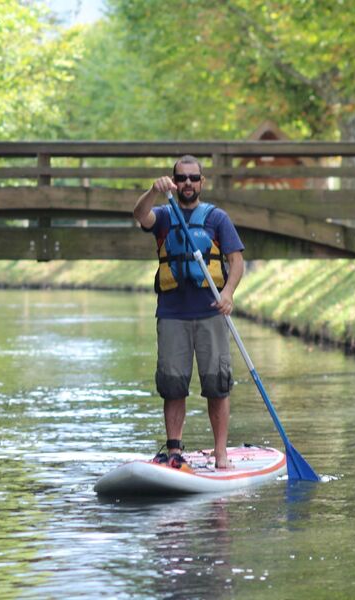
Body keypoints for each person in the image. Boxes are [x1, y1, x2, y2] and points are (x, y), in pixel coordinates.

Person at [133, 155, 245, 469]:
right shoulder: (164, 215)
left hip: (210, 313)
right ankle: (174, 450)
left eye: (193, 178)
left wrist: (228, 293)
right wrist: (152, 191)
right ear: (174, 181)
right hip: (172, 314)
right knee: (173, 384)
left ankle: (220, 452)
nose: (187, 184)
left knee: (216, 385)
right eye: (181, 178)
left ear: (201, 182)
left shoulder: (217, 218)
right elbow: (140, 215)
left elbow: (236, 262)